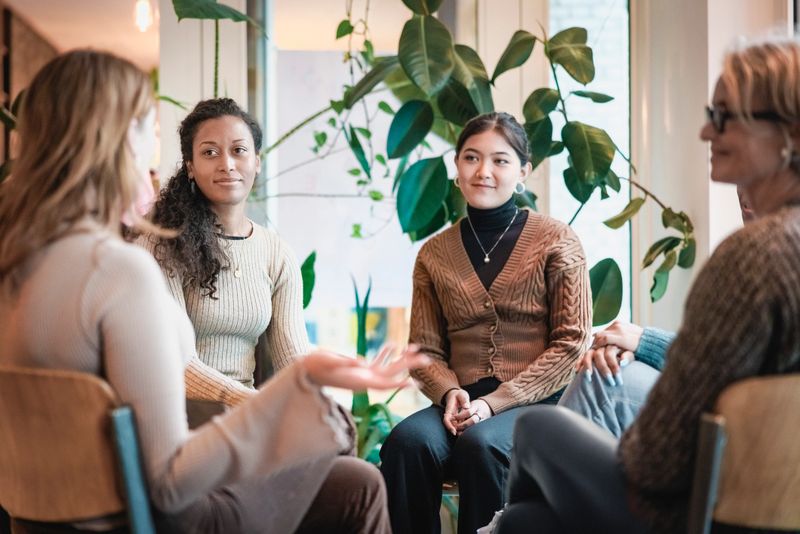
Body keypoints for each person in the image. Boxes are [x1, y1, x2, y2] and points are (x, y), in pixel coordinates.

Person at [0, 49, 430, 534]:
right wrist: (297, 389)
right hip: (158, 515)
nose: (150, 148)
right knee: (339, 443)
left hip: (45, 518)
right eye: (147, 128)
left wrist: (297, 378)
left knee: (354, 481)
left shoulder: (19, 262)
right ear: (117, 141)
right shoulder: (121, 270)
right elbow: (170, 483)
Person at [496, 36, 800, 534]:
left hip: (696, 513)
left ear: (788, 133)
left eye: (724, 117)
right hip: (772, 511)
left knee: (537, 426)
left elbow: (658, 461)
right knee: (528, 524)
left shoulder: (755, 257)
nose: (705, 131)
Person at [379, 112, 592, 534]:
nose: (484, 172)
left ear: (523, 172)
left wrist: (494, 404)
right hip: (459, 402)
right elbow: (424, 350)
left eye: (500, 160)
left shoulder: (557, 239)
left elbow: (572, 343)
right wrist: (451, 392)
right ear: (456, 168)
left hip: (539, 403)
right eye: (472, 158)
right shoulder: (434, 254)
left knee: (481, 445)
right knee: (406, 443)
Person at [137, 98, 309, 411]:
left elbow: (293, 359)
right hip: (176, 413)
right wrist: (251, 404)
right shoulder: (161, 245)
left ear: (257, 161)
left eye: (238, 150)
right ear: (190, 166)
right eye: (209, 152)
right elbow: (177, 363)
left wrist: (318, 401)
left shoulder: (276, 253)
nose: (226, 164)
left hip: (246, 412)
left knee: (346, 458)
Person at [559, 187, 754, 438]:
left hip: (759, 423)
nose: (743, 193)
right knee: (606, 370)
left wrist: (646, 343)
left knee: (601, 385)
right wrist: (627, 349)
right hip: (729, 405)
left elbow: (738, 366)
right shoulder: (746, 256)